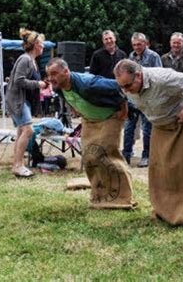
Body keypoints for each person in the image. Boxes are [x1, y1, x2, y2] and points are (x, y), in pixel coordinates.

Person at [114, 59, 183, 226]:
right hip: (160, 124)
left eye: (128, 86)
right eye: (122, 87)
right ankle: (165, 210)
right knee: (160, 168)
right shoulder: (129, 85)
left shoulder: (163, 78)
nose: (126, 91)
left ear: (138, 75)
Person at [47, 57, 137, 210]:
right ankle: (100, 195)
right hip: (90, 120)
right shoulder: (58, 87)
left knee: (108, 156)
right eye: (49, 75)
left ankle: (122, 198)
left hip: (110, 117)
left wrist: (124, 110)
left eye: (54, 74)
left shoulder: (88, 84)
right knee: (90, 156)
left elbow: (118, 87)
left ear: (66, 72)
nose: (51, 78)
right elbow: (68, 96)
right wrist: (77, 107)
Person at [6, 28, 47, 177]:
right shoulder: (25, 59)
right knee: (28, 131)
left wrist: (41, 84)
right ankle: (18, 165)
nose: (43, 46)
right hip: (17, 100)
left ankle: (17, 164)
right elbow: (18, 81)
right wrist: (38, 84)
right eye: (41, 43)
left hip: (24, 100)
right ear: (36, 44)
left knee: (21, 132)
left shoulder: (32, 61)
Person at [123, 32, 162, 167]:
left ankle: (146, 156)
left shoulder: (153, 56)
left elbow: (159, 76)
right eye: (134, 45)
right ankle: (126, 155)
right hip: (133, 98)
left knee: (147, 129)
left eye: (139, 44)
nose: (136, 47)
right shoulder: (131, 57)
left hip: (148, 98)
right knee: (128, 128)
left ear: (145, 43)